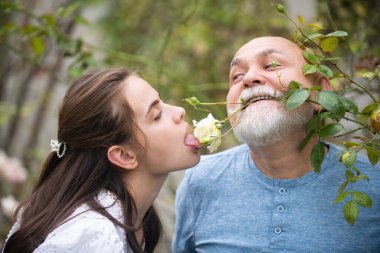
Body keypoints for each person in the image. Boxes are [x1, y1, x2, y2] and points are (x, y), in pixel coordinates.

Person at [172, 37, 380, 252]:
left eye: (272, 65)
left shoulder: (375, 186)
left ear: (320, 92)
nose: (250, 78)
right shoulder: (199, 182)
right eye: (237, 76)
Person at [2, 68, 201, 253]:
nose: (179, 111)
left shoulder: (133, 220)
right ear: (124, 155)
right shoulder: (94, 237)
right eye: (157, 115)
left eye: (162, 102)